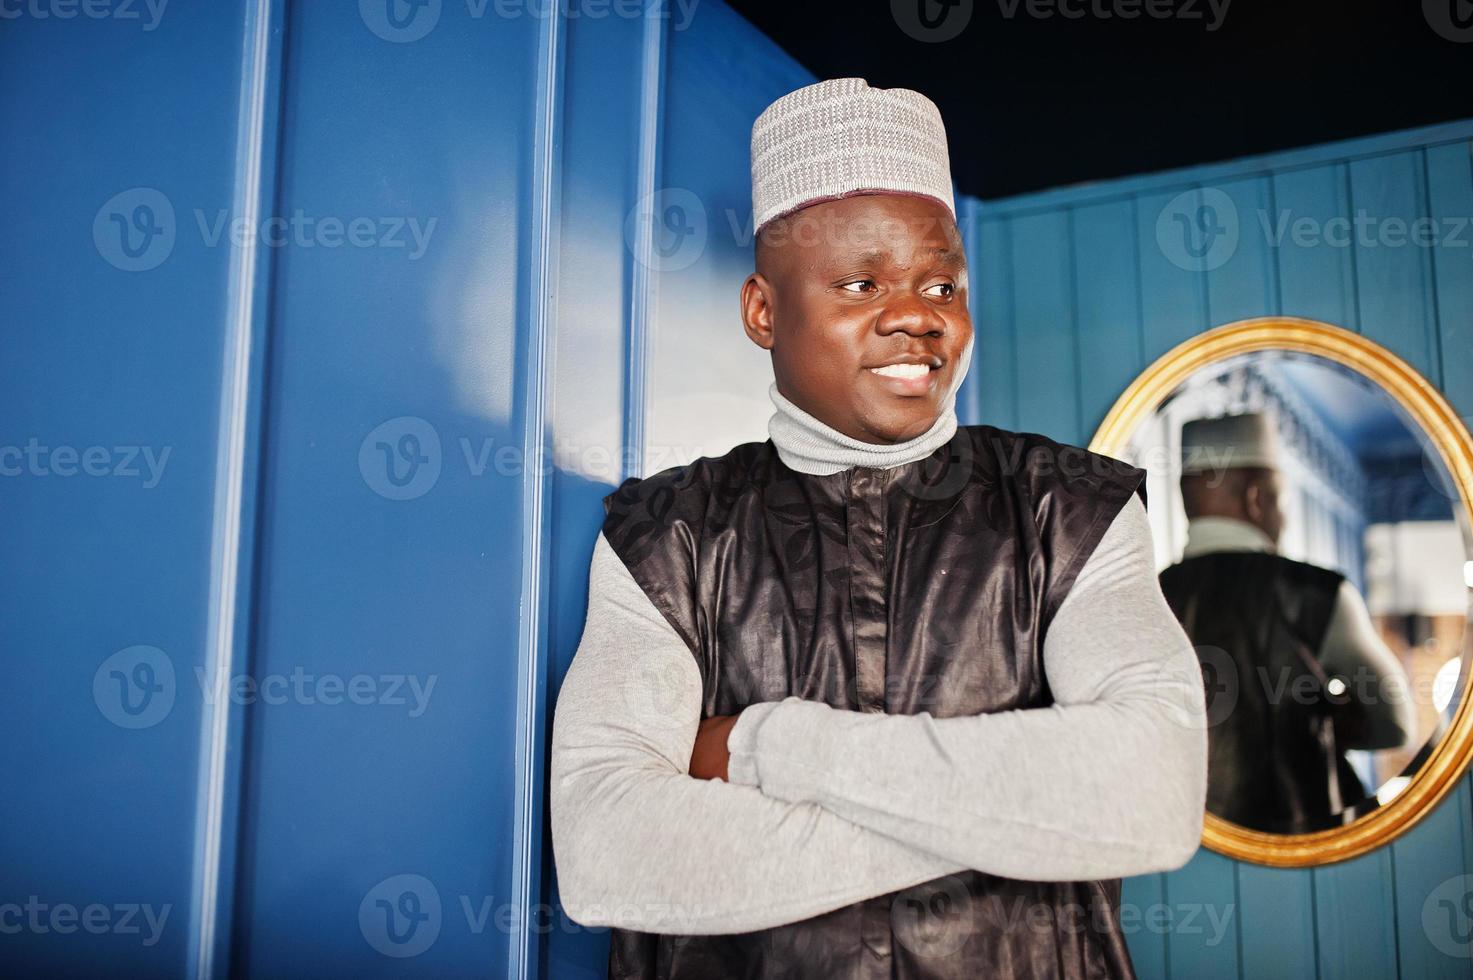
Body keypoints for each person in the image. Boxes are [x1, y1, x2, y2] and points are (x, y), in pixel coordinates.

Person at [550, 77, 1207, 980]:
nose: (917, 315)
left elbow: (1153, 794)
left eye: (943, 283)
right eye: (861, 282)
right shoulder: (667, 536)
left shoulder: (1073, 510)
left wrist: (760, 747)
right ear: (763, 312)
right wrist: (1026, 813)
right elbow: (606, 854)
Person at [1158, 411, 1417, 835]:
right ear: (1258, 498)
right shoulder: (1317, 593)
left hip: (1188, 846)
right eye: (1282, 499)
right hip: (1303, 844)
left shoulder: (1147, 596)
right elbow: (1396, 723)